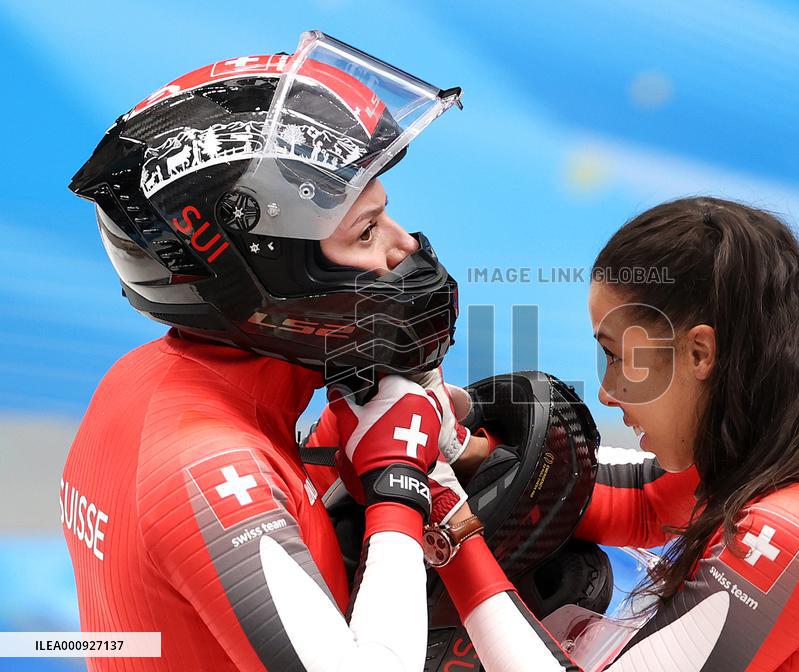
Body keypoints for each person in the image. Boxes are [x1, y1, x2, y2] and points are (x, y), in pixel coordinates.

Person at [327, 197, 799, 670]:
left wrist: (442, 518)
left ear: (701, 352)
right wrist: (463, 449)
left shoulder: (790, 541)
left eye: (616, 355)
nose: (606, 392)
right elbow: (652, 502)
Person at [61, 30, 488, 671]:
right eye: (366, 231)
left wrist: (340, 457)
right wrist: (397, 487)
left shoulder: (148, 380)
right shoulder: (204, 467)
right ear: (263, 275)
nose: (405, 247)